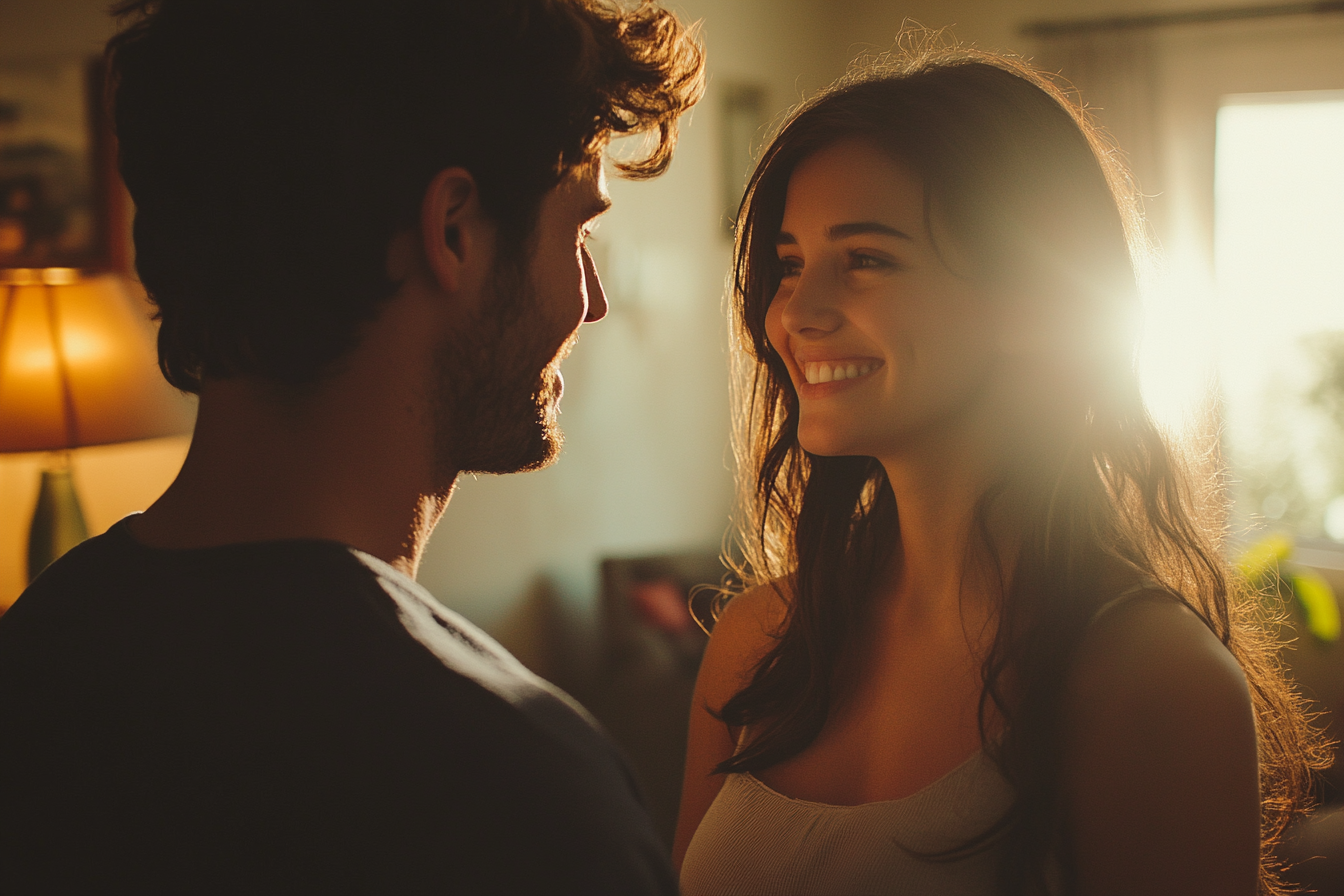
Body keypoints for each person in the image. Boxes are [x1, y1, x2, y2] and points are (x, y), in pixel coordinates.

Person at [0, 1, 703, 893]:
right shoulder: (512, 792)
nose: (592, 301)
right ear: (452, 229)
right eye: (580, 232)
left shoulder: (38, 655)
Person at [674, 41, 1324, 896]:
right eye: (790, 265)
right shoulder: (758, 643)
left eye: (865, 259)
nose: (792, 312)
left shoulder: (1150, 678)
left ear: (1031, 303)